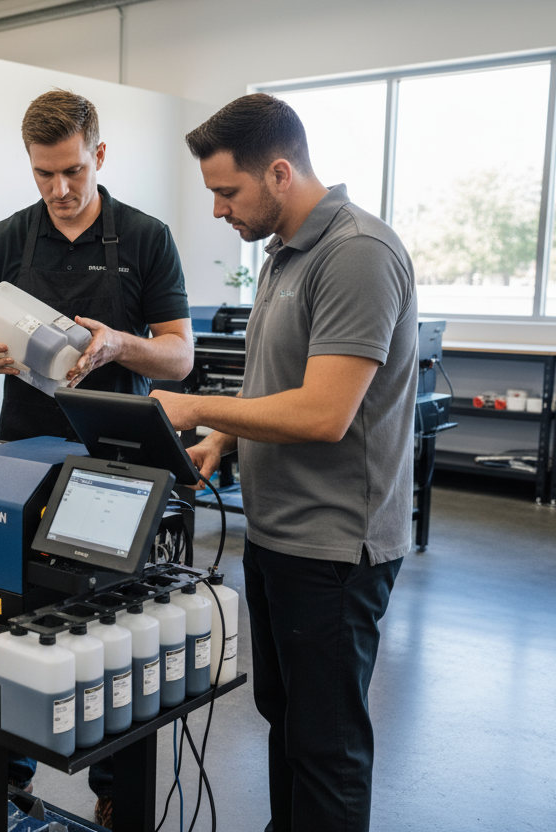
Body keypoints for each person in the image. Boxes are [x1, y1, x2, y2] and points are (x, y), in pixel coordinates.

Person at [151, 94, 416, 832]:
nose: (216, 210)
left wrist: (198, 408)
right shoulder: (281, 254)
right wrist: (223, 441)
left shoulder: (357, 252)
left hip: (334, 545)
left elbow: (324, 414)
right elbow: (278, 387)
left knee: (325, 744)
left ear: (277, 172)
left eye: (225, 192)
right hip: (277, 532)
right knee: (287, 721)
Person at [0, 89, 193, 442]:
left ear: (99, 155)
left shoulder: (147, 237)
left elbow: (181, 358)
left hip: (120, 448)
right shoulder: (3, 239)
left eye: (73, 171)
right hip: (24, 446)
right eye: (43, 173)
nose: (59, 189)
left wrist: (118, 346)